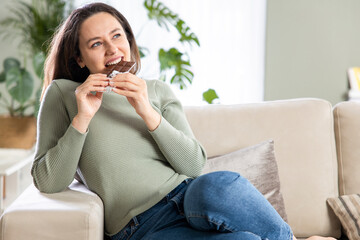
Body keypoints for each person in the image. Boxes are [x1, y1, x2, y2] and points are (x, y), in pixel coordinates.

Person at [31, 2, 336, 240]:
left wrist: (146, 109)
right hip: (141, 228)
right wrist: (83, 117)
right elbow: (49, 181)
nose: (112, 49)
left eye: (117, 36)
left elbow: (193, 166)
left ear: (128, 40)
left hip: (189, 197)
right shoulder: (65, 94)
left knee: (217, 185)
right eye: (96, 44)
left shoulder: (157, 91)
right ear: (80, 58)